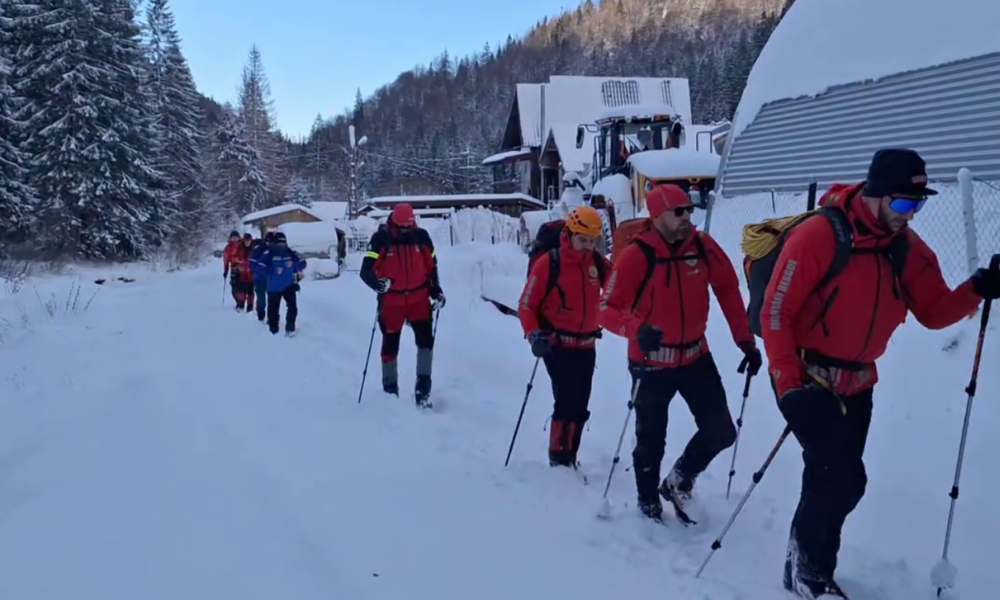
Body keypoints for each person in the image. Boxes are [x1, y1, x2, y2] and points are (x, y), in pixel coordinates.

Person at [758, 148, 1000, 599]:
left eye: (918, 203)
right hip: (809, 379)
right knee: (845, 480)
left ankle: (809, 565)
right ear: (875, 193)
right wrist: (788, 385)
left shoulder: (904, 247)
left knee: (827, 477)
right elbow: (775, 312)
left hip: (860, 383)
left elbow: (934, 311)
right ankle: (809, 570)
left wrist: (977, 288)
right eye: (903, 203)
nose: (910, 214)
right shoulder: (818, 236)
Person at [598, 184, 761, 523]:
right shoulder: (637, 255)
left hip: (695, 357)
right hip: (651, 362)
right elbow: (606, 308)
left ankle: (679, 479)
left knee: (722, 431)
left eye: (689, 209)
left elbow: (728, 290)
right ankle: (648, 502)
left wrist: (745, 341)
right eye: (678, 211)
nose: (687, 216)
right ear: (658, 215)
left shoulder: (703, 246)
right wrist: (636, 329)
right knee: (651, 441)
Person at [517, 205, 609, 467]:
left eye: (593, 241)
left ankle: (570, 456)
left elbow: (619, 288)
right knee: (567, 399)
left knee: (581, 402)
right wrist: (533, 335)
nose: (588, 247)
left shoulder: (597, 264)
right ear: (569, 234)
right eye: (583, 240)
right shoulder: (550, 263)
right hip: (556, 344)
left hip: (587, 345)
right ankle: (558, 458)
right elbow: (526, 304)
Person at [360, 203, 445, 406]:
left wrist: (436, 290)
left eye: (409, 226)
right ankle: (390, 391)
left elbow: (432, 267)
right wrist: (377, 283)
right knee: (391, 344)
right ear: (394, 222)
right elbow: (366, 270)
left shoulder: (422, 237)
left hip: (419, 300)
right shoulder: (381, 239)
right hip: (392, 302)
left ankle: (423, 390)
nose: (406, 230)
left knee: (426, 343)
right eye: (402, 227)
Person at [253, 231, 306, 336]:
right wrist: (273, 271)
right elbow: (259, 267)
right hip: (274, 287)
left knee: (292, 307)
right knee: (273, 310)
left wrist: (293, 265)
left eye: (283, 243)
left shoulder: (290, 253)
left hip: (288, 285)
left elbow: (302, 263)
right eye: (279, 244)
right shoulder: (269, 254)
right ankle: (273, 331)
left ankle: (290, 328)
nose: (281, 246)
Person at [223, 231, 255, 312]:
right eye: (233, 238)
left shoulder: (242, 245)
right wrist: (226, 270)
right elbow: (227, 260)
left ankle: (247, 305)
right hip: (236, 269)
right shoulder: (228, 248)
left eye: (236, 237)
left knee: (248, 289)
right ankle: (239, 302)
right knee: (236, 288)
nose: (234, 239)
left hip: (247, 270)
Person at [249, 232, 275, 322]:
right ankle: (260, 315)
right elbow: (252, 263)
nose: (269, 244)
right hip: (259, 278)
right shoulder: (258, 249)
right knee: (261, 298)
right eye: (268, 242)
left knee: (272, 298)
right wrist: (262, 269)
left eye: (271, 242)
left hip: (271, 278)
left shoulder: (275, 250)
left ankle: (271, 317)